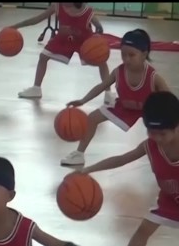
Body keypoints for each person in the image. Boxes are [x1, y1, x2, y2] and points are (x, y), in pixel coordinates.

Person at [79, 91, 179, 246]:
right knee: (143, 230)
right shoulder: (150, 146)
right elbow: (121, 159)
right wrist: (88, 170)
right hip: (170, 200)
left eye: (163, 134)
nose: (157, 138)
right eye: (151, 132)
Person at [61, 29, 170, 166]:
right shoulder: (119, 71)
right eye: (123, 55)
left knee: (164, 134)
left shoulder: (153, 77)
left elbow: (170, 102)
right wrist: (83, 100)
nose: (126, 59)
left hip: (150, 110)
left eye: (131, 55)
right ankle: (79, 154)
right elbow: (101, 86)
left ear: (144, 54)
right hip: (125, 106)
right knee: (92, 118)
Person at [12, 3, 113, 104]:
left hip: (84, 41)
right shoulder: (57, 6)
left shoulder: (86, 10)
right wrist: (15, 26)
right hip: (63, 39)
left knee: (101, 61)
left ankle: (108, 93)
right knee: (43, 57)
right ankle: (36, 88)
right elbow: (37, 19)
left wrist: (97, 37)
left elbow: (99, 27)